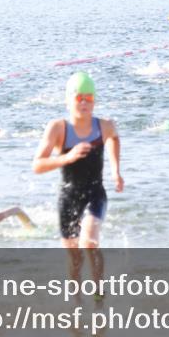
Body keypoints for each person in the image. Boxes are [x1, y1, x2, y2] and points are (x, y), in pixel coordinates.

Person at [32, 72, 123, 282]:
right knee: (74, 259)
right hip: (68, 197)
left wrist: (115, 170)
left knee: (89, 243)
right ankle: (77, 304)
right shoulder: (58, 128)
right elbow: (37, 165)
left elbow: (114, 138)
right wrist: (68, 157)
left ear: (94, 100)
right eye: (78, 97)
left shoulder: (105, 126)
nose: (84, 102)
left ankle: (99, 298)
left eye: (89, 98)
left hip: (95, 193)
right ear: (68, 101)